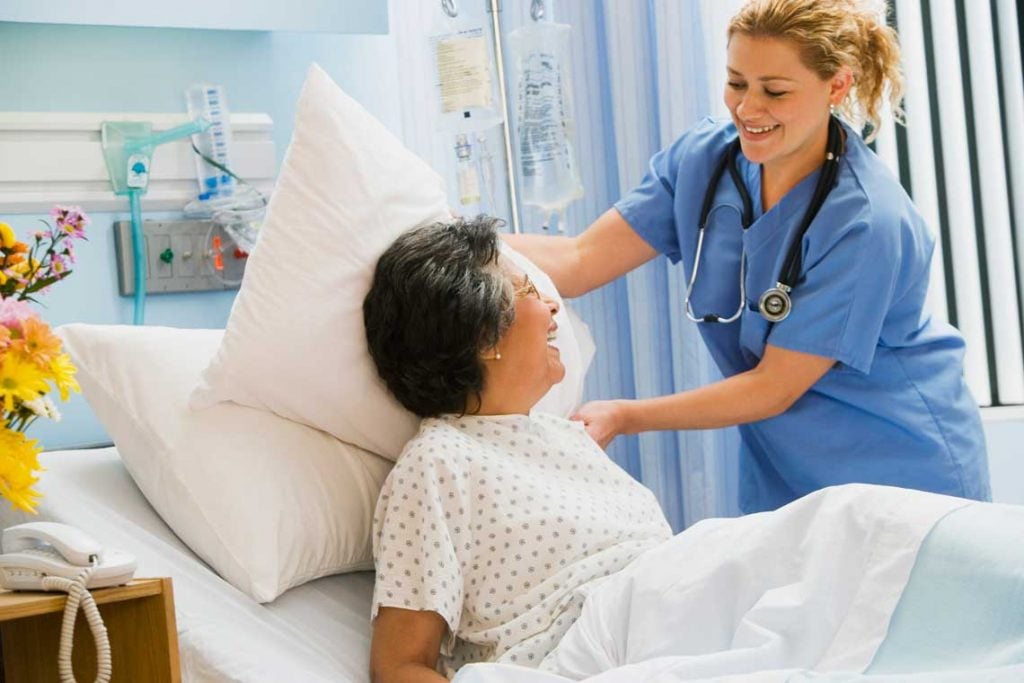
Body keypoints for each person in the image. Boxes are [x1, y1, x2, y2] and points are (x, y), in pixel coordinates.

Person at [505, 0, 990, 514]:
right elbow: (581, 260)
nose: (748, 108)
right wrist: (454, 235)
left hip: (900, 469)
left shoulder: (864, 221)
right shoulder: (704, 160)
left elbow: (772, 387)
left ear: (837, 86)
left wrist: (625, 415)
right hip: (788, 469)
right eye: (737, 83)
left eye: (775, 91)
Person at [363, 216, 673, 681]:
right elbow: (400, 666)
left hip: (668, 609)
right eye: (529, 290)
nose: (552, 307)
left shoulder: (562, 438)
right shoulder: (439, 463)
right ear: (485, 335)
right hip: (602, 647)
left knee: (821, 529)